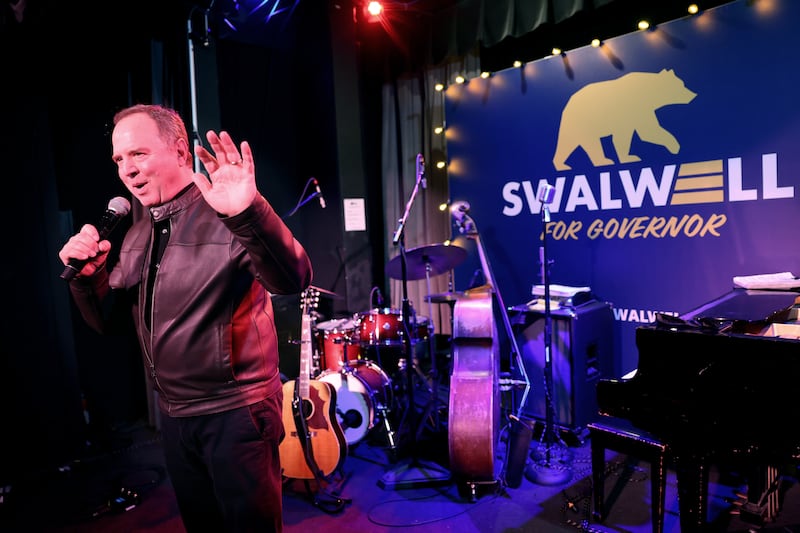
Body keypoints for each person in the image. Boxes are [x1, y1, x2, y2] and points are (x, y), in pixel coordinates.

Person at [58, 103, 313, 532]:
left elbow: (294, 278)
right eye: (119, 160)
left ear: (180, 152)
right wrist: (87, 280)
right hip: (176, 416)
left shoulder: (227, 211)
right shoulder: (138, 231)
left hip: (236, 414)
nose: (127, 170)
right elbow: (108, 323)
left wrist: (248, 214)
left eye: (138, 154)